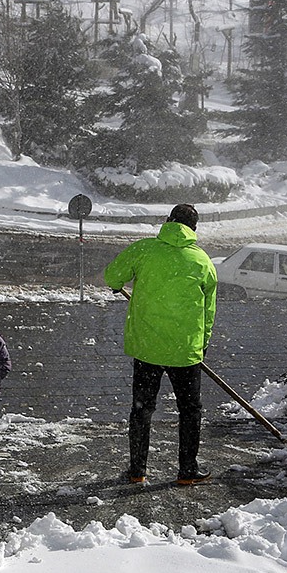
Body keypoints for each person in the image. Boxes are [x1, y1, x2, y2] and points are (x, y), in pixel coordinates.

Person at [103, 203, 217, 486]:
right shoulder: (202, 261)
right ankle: (187, 470)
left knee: (142, 409)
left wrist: (122, 284)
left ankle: (137, 470)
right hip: (185, 352)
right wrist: (202, 344)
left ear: (167, 221)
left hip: (147, 348)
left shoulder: (144, 250)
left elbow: (111, 277)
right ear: (194, 229)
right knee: (190, 411)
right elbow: (209, 311)